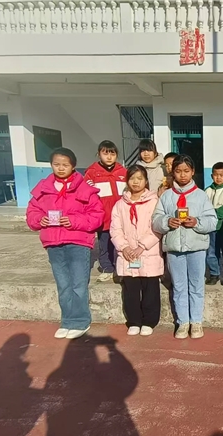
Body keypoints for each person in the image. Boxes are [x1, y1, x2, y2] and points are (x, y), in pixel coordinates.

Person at [26, 148, 104, 339]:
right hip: (53, 243)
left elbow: (97, 216)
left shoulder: (84, 188)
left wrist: (74, 221)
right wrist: (40, 220)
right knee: (63, 284)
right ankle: (67, 321)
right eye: (56, 164)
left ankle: (80, 321)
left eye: (65, 165)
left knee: (78, 284)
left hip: (78, 242)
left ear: (73, 166)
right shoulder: (44, 188)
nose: (61, 168)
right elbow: (32, 212)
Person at [152, 155, 217, 339]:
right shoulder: (166, 196)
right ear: (172, 172)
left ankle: (196, 322)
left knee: (196, 285)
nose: (182, 175)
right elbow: (155, 220)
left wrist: (197, 222)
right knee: (179, 286)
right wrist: (166, 221)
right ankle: (183, 322)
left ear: (193, 172)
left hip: (197, 248)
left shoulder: (201, 196)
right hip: (174, 249)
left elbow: (212, 221)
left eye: (186, 171)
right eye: (178, 171)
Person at [110, 165, 163, 336]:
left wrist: (142, 246)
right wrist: (124, 247)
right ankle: (134, 321)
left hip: (148, 253)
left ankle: (149, 321)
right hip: (127, 255)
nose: (136, 182)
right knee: (130, 290)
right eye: (132, 178)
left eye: (140, 178)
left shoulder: (154, 202)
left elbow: (157, 228)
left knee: (150, 289)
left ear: (146, 181)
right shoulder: (120, 205)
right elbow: (115, 229)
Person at [83, 140, 127, 282]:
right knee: (105, 244)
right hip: (103, 217)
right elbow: (88, 194)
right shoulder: (92, 173)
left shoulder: (123, 172)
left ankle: (120, 268)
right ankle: (107, 268)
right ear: (99, 154)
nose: (109, 157)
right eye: (105, 153)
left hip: (120, 217)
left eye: (112, 154)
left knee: (120, 243)